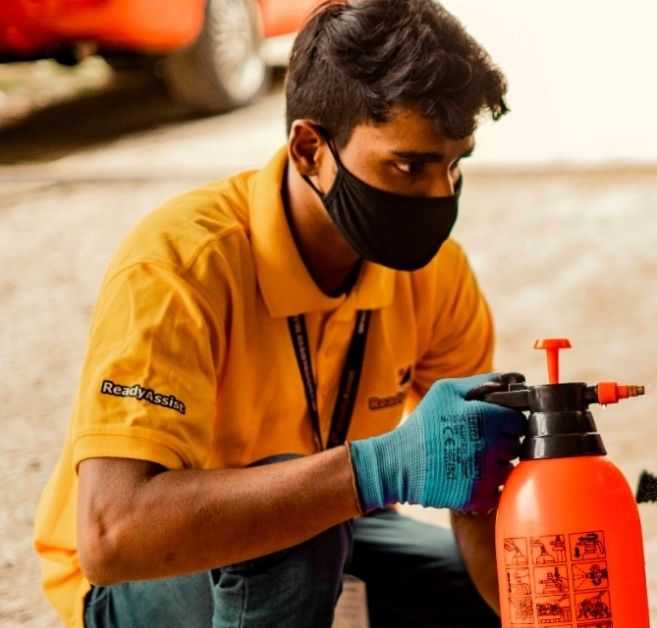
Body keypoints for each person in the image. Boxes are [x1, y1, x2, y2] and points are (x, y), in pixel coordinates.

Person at [32, 1, 524, 626]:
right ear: (309, 148)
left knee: (493, 581)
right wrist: (370, 470)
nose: (441, 196)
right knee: (300, 537)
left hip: (327, 532)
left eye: (456, 166)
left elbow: (476, 499)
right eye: (410, 166)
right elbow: (113, 534)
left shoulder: (436, 274)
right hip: (141, 578)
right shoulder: (180, 263)